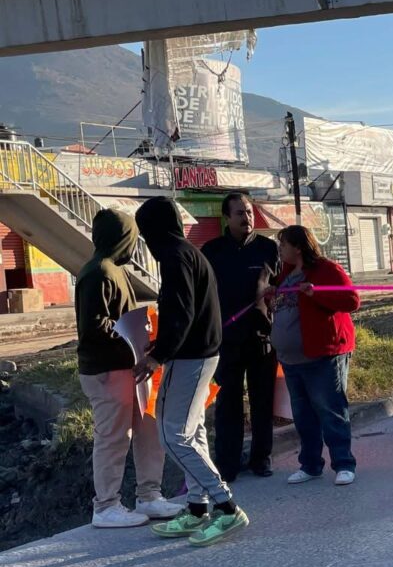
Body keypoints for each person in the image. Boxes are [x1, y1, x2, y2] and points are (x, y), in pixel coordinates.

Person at [132, 196, 250, 547]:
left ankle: (226, 507)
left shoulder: (174, 256)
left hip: (190, 357)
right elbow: (188, 310)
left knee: (172, 435)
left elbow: (180, 312)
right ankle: (198, 508)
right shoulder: (188, 252)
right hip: (200, 354)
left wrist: (158, 355)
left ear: (152, 231)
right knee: (192, 431)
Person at [75, 209, 183, 528]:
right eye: (132, 238)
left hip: (127, 367)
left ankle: (149, 496)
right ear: (123, 238)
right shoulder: (99, 272)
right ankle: (106, 505)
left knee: (147, 429)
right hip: (106, 370)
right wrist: (133, 332)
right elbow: (96, 326)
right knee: (114, 436)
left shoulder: (113, 270)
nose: (135, 245)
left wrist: (140, 330)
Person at [268, 225, 361, 487]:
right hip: (292, 359)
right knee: (303, 415)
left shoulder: (326, 269)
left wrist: (316, 293)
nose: (280, 249)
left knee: (330, 410)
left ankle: (343, 463)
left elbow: (351, 301)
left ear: (298, 246)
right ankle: (310, 465)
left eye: (283, 244)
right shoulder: (285, 273)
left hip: (322, 355)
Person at [202, 192, 280, 483]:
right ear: (226, 217)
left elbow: (281, 287)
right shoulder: (212, 251)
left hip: (262, 339)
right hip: (226, 341)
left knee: (262, 402)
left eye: (249, 212)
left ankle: (262, 458)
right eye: (239, 213)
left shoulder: (268, 249)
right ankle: (228, 464)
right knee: (228, 404)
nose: (247, 218)